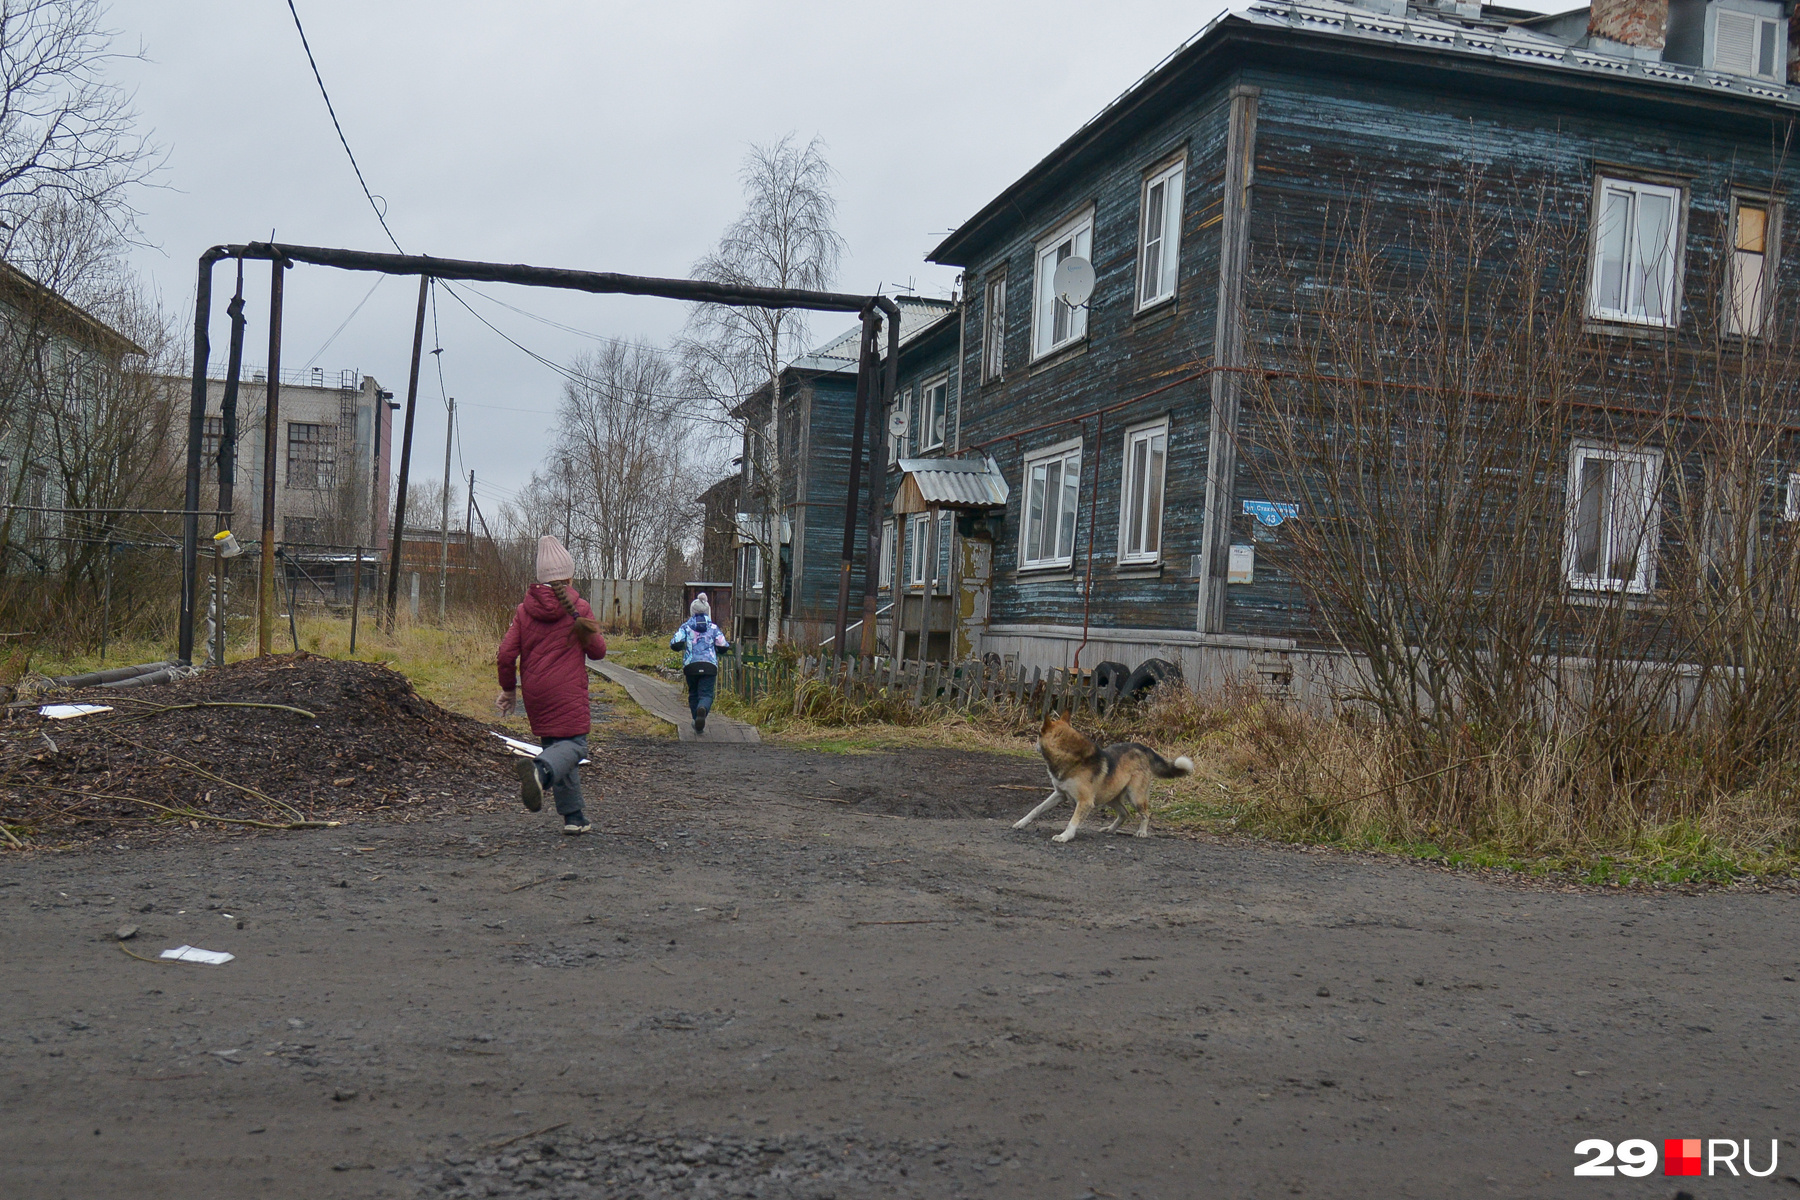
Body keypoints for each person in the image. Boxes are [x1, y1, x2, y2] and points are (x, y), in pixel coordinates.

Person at [496, 535, 608, 834]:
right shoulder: (579, 608)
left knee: (558, 749)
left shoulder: (523, 610)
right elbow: (598, 652)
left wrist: (509, 689)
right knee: (575, 746)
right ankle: (541, 772)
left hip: (537, 694)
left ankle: (574, 818)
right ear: (569, 575)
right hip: (567, 691)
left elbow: (506, 654)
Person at [669, 593, 729, 735]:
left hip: (691, 666)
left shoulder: (686, 626)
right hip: (709, 666)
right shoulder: (713, 628)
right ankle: (702, 709)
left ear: (692, 611)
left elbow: (675, 642)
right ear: (708, 610)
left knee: (693, 693)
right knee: (706, 694)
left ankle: (697, 720)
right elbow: (723, 645)